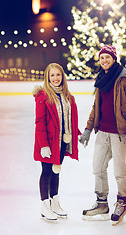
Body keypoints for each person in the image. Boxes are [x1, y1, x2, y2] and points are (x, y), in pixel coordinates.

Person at [79, 45, 126, 225]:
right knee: (97, 168)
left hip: (120, 133)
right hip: (103, 133)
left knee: (119, 171)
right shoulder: (101, 78)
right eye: (102, 58)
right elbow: (96, 107)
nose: (104, 61)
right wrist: (88, 129)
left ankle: (122, 202)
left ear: (114, 58)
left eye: (107, 57)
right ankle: (102, 204)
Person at [33, 63, 81, 222]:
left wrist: (76, 134)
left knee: (56, 171)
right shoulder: (43, 96)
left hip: (61, 141)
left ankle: (55, 202)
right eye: (52, 75)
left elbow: (70, 119)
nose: (55, 78)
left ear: (62, 77)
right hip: (48, 143)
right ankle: (44, 205)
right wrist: (44, 145)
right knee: (46, 172)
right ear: (47, 77)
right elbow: (40, 122)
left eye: (58, 75)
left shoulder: (67, 96)